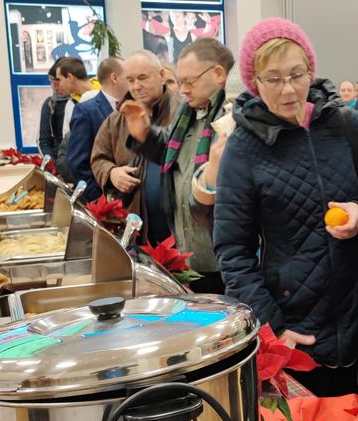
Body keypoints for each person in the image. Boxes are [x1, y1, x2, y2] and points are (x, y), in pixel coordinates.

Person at [214, 18, 358, 396]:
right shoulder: (243, 148)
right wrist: (273, 328)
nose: (288, 89)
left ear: (311, 70)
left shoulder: (348, 126)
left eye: (297, 74)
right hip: (297, 329)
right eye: (273, 78)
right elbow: (232, 250)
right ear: (255, 81)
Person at [125, 38, 234, 293]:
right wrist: (145, 133)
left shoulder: (232, 115)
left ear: (218, 74)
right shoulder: (188, 111)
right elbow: (171, 154)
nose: (182, 89)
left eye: (189, 81)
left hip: (222, 252)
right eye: (181, 81)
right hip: (189, 249)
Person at [91, 51, 178, 246]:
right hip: (136, 228)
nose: (136, 86)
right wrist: (112, 173)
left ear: (162, 76)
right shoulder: (117, 120)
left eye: (142, 78)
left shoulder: (180, 114)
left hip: (177, 230)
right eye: (130, 80)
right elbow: (98, 158)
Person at [66, 57, 124, 203]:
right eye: (129, 76)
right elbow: (77, 162)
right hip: (102, 198)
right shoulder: (86, 110)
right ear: (114, 78)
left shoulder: (131, 108)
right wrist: (99, 199)